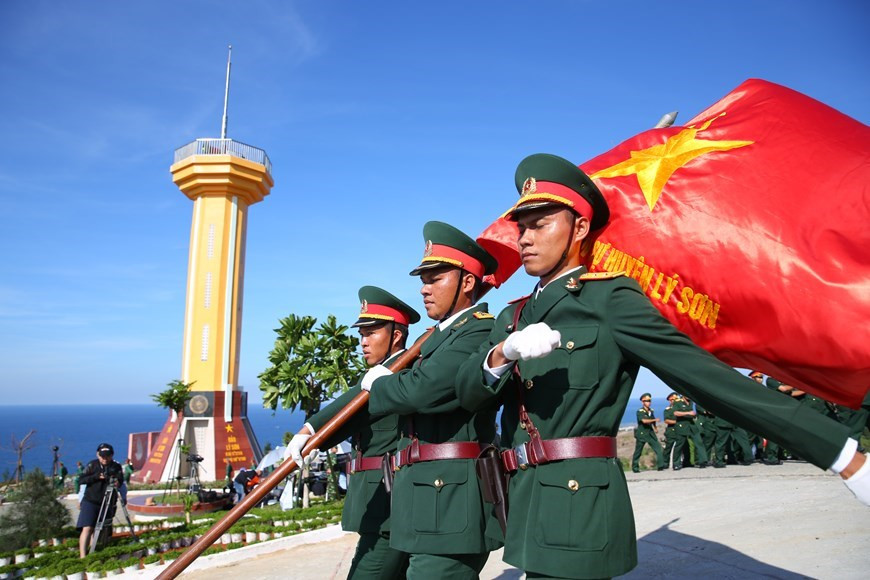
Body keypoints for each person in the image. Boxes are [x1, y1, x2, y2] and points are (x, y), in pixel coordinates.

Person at [455, 153, 869, 579]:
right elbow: (469, 394)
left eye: (540, 224)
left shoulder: (609, 301)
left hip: (579, 503)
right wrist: (503, 353)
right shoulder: (514, 317)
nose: (524, 238)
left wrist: (841, 455)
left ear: (579, 228)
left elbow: (707, 380)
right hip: (521, 500)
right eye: (522, 227)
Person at [360, 222, 502, 579]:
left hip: (452, 499)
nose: (424, 289)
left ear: (467, 282)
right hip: (425, 498)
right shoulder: (440, 337)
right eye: (423, 280)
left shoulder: (479, 330)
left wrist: (381, 386)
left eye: (435, 279)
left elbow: (423, 390)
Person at [287, 286, 420, 579]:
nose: (363, 342)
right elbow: (351, 399)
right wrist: (309, 431)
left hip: (390, 505)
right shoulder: (379, 376)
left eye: (371, 333)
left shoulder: (401, 376)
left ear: (396, 335)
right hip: (377, 505)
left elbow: (351, 403)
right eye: (361, 334)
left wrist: (309, 429)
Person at [77, 443, 124, 558]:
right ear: (98, 455)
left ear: (112, 455)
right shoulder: (92, 465)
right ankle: (83, 556)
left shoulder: (116, 466)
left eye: (107, 456)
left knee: (101, 529)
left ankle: (95, 552)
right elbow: (81, 480)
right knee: (88, 527)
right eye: (102, 456)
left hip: (107, 501)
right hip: (91, 500)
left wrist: (117, 482)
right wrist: (96, 477)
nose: (105, 458)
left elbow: (121, 481)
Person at [631, 393, 664, 472]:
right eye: (646, 401)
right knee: (638, 451)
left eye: (649, 401)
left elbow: (652, 420)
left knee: (658, 449)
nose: (649, 402)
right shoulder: (640, 411)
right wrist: (654, 420)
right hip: (642, 434)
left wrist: (655, 427)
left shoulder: (651, 411)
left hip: (650, 433)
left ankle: (661, 466)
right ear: (643, 402)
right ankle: (635, 467)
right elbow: (644, 421)